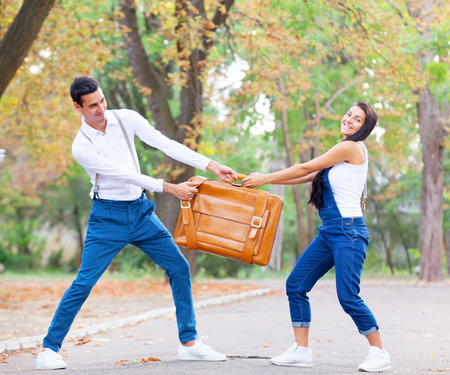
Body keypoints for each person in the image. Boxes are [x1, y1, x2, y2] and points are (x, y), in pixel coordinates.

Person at [36, 76, 237, 370]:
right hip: (107, 218)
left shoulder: (125, 119)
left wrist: (211, 165)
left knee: (179, 267)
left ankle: (190, 343)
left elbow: (165, 144)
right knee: (84, 282)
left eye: (102, 101)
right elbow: (120, 174)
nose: (101, 109)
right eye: (92, 106)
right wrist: (169, 187)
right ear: (77, 107)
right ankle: (48, 349)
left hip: (141, 213)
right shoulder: (81, 147)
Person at [243, 102, 391, 372]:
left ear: (364, 128)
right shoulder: (342, 154)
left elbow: (302, 167)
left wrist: (264, 178)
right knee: (296, 285)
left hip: (349, 232)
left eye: (356, 119)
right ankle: (301, 350)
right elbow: (308, 176)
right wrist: (260, 181)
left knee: (348, 296)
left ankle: (379, 351)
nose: (348, 120)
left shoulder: (351, 148)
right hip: (331, 231)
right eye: (348, 114)